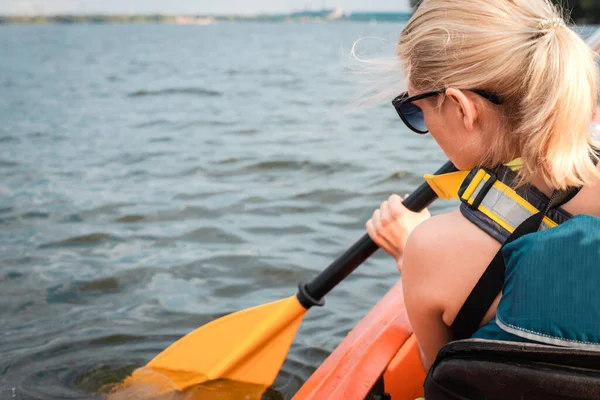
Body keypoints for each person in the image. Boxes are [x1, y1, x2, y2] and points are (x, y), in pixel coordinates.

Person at [366, 0, 600, 371]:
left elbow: (441, 380)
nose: (422, 123)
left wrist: (409, 254)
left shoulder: (430, 250)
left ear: (461, 107)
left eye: (415, 109)